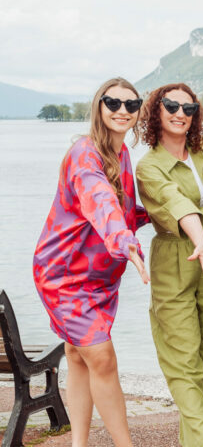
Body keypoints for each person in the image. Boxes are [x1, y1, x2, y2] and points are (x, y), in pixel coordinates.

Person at [33, 77, 149, 447]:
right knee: (102, 358)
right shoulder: (85, 153)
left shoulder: (123, 155)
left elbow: (122, 209)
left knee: (78, 356)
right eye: (113, 102)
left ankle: (78, 444)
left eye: (132, 105)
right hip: (65, 276)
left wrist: (164, 218)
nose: (122, 111)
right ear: (99, 106)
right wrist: (126, 241)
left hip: (96, 279)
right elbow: (99, 201)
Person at [136, 83, 203, 447]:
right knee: (184, 359)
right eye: (171, 105)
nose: (180, 113)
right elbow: (175, 202)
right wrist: (201, 242)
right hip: (176, 255)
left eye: (188, 108)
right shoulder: (149, 166)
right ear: (156, 110)